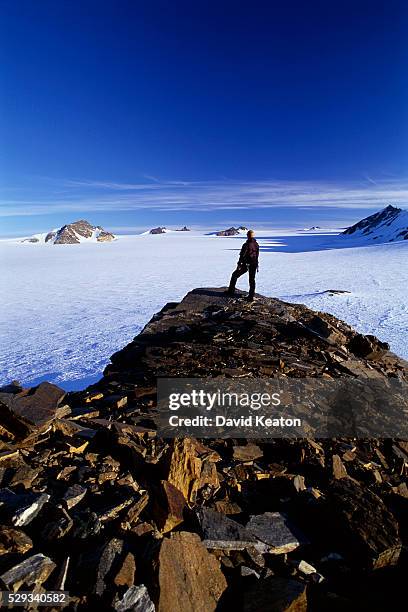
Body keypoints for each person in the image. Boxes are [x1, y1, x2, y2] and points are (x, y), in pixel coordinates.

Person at [226, 230, 259, 301]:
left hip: (246, 264)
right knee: (252, 280)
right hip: (254, 264)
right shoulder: (256, 244)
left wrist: (239, 264)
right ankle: (251, 296)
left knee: (234, 275)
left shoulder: (246, 245)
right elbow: (257, 255)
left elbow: (242, 255)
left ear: (247, 236)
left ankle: (231, 291)